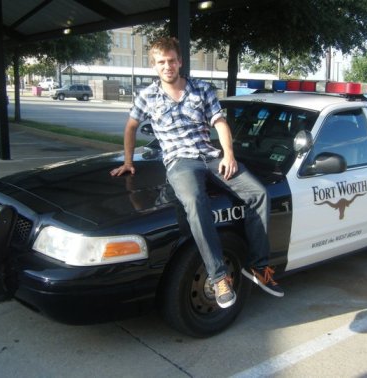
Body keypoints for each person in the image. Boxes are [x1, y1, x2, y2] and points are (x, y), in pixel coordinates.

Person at [110, 37, 283, 308]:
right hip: (180, 162)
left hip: (211, 157)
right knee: (195, 201)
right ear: (154, 66)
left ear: (180, 61)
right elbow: (131, 126)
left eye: (171, 61)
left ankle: (259, 266)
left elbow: (221, 123)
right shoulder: (147, 96)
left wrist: (228, 154)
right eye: (161, 62)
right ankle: (218, 277)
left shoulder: (201, 88)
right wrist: (129, 161)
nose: (167, 66)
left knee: (259, 194)